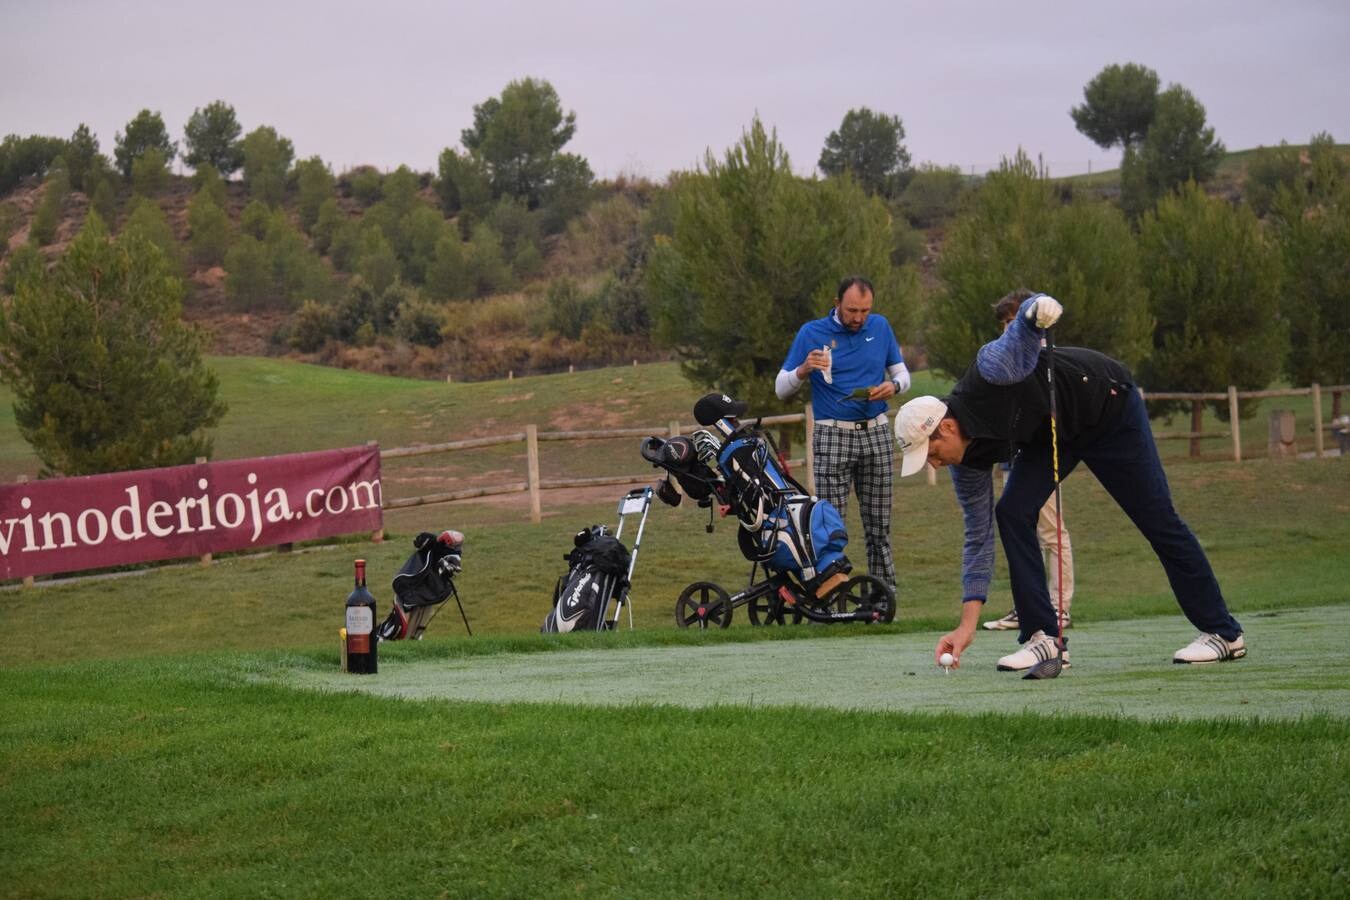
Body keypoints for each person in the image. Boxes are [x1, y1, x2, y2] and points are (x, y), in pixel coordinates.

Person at [894, 290, 1246, 671]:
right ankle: (1043, 637)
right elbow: (978, 536)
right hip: (1052, 436)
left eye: (931, 453)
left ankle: (1223, 633)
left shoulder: (990, 371)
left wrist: (1035, 310)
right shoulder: (966, 464)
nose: (935, 465)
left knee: (1158, 520)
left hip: (1108, 408)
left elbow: (1020, 335)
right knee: (1012, 512)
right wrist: (967, 625)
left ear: (945, 427)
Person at [776, 276, 910, 590]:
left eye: (865, 310)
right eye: (852, 310)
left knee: (879, 525)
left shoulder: (880, 327)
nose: (858, 318)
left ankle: (881, 596)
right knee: (829, 526)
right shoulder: (811, 333)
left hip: (875, 432)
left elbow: (901, 372)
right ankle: (834, 594)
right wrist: (803, 370)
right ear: (837, 304)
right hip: (832, 434)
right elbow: (781, 388)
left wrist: (895, 385)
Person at [983, 290, 1074, 632]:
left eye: (1013, 321)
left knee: (1051, 532)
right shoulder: (1004, 361)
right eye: (1004, 322)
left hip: (1042, 460)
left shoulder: (1043, 358)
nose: (1008, 329)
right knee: (1024, 534)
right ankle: (1029, 607)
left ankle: (1058, 608)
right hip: (1012, 463)